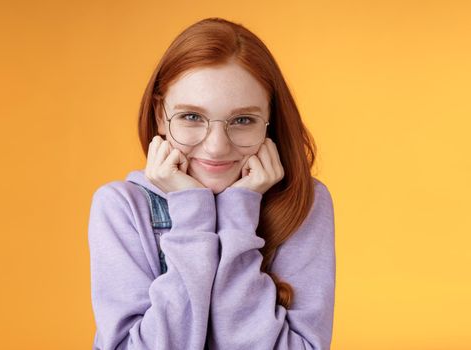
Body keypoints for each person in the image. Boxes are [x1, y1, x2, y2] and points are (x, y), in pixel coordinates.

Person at [88, 17, 336, 350]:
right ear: (161, 115)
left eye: (243, 120)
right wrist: (192, 216)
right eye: (192, 117)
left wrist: (239, 215)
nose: (217, 146)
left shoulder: (305, 203)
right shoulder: (121, 208)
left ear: (269, 122)